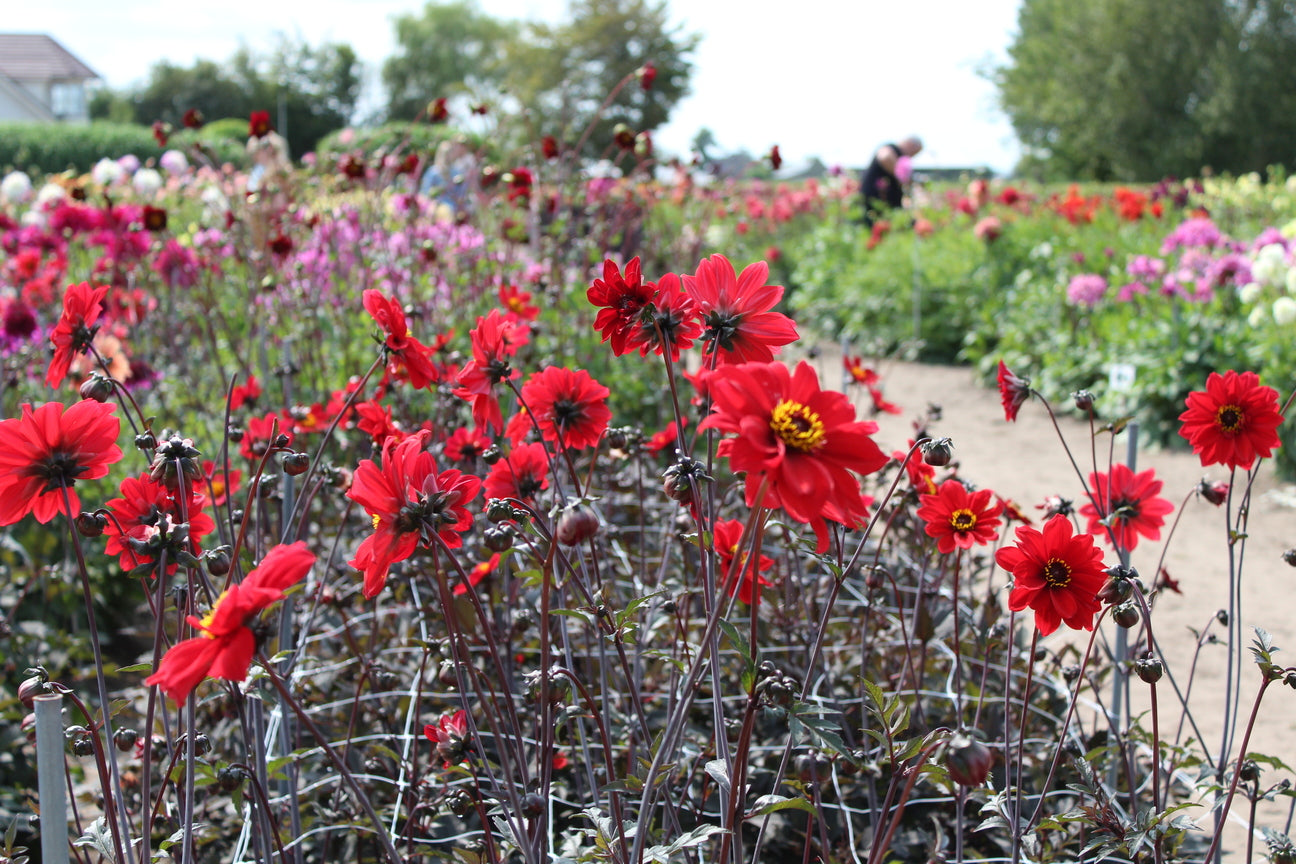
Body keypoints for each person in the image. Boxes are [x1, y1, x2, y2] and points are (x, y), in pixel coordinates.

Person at [860, 136, 923, 226]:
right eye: (915, 152)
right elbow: (885, 157)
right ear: (910, 144)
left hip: (887, 206)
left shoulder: (898, 154)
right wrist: (901, 176)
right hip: (875, 203)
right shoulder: (892, 148)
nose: (912, 156)